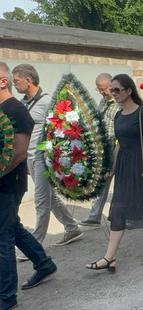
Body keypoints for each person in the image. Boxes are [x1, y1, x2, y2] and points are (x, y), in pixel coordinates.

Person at [85, 74, 143, 271]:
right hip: (123, 165)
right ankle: (109, 257)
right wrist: (111, 167)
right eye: (111, 90)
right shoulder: (118, 115)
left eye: (116, 90)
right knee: (119, 207)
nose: (113, 94)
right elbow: (118, 144)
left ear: (129, 91)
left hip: (141, 164)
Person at [0, 62, 58, 310]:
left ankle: (6, 296)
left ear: (2, 81)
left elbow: (19, 153)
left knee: (2, 236)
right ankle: (43, 263)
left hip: (8, 182)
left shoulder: (16, 111)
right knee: (12, 226)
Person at [12, 64, 82, 247]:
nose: (15, 85)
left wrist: (46, 150)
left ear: (29, 80)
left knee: (41, 201)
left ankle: (35, 245)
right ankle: (72, 227)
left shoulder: (48, 101)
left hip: (42, 159)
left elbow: (62, 130)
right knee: (50, 198)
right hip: (28, 160)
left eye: (17, 81)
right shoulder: (22, 104)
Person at [80, 73, 120, 226]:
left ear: (111, 86)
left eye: (104, 89)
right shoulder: (103, 102)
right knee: (102, 182)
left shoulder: (120, 102)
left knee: (123, 184)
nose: (102, 93)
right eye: (99, 90)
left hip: (118, 147)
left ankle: (123, 215)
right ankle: (95, 216)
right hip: (104, 148)